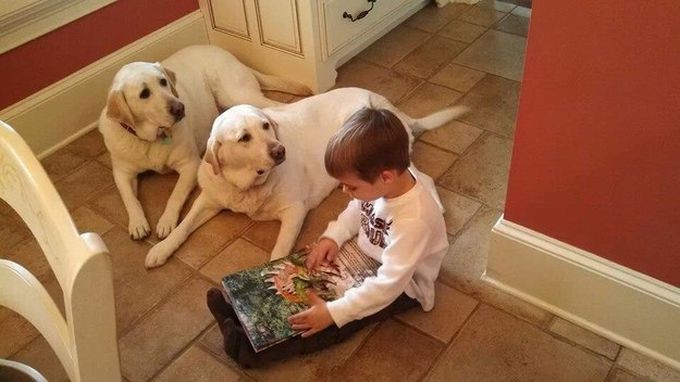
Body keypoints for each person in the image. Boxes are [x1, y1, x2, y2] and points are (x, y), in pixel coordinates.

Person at [206, 107, 449, 367]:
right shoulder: (385, 184)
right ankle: (237, 310)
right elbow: (358, 209)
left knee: (328, 322)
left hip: (403, 286)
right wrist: (333, 237)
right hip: (367, 258)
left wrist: (334, 313)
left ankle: (248, 351)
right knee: (299, 279)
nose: (345, 191)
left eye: (352, 186)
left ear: (385, 177)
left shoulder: (415, 220)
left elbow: (388, 285)